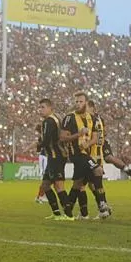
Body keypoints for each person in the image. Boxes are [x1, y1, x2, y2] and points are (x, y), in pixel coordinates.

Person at [60, 91, 110, 219]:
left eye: (80, 101)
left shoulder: (91, 118)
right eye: (76, 101)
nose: (78, 104)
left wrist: (87, 144)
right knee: (98, 170)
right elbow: (62, 138)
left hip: (86, 154)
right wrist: (78, 134)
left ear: (86, 103)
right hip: (76, 154)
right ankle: (102, 204)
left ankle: (68, 209)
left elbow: (95, 137)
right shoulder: (69, 118)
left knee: (78, 183)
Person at [36, 98, 72, 221]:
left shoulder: (48, 121)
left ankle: (68, 214)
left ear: (50, 108)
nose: (40, 110)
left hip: (56, 156)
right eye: (39, 107)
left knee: (59, 185)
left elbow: (46, 140)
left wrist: (38, 146)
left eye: (43, 107)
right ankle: (56, 213)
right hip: (55, 156)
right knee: (45, 185)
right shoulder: (56, 118)